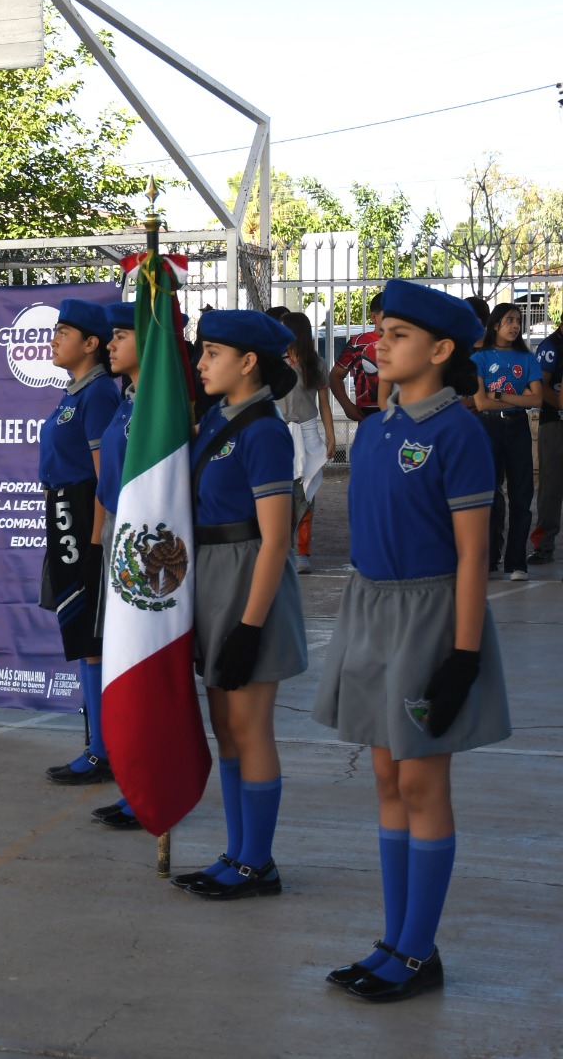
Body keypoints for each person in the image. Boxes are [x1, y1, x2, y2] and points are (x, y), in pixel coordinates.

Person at [313, 280, 509, 1003]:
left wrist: (463, 656)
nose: (380, 344)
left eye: (397, 335)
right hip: (371, 610)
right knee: (387, 779)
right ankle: (394, 939)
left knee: (423, 783)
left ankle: (419, 951)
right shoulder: (376, 429)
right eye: (381, 332)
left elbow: (473, 554)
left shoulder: (457, 432)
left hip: (430, 618)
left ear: (440, 349)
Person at [171, 309, 307, 899]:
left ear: (249, 362)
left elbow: (276, 539)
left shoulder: (264, 431)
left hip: (249, 580)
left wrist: (250, 627)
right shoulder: (214, 420)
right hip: (210, 576)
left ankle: (258, 863)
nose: (200, 364)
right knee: (224, 726)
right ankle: (237, 851)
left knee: (250, 728)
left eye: (212, 354)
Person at [38, 300, 123, 794]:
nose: (53, 339)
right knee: (82, 634)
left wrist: (94, 547)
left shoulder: (99, 395)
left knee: (92, 636)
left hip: (82, 514)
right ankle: (98, 745)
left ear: (92, 343)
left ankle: (104, 749)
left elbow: (102, 478)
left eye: (64, 332)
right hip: (64, 512)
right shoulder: (74, 391)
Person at [85, 301, 142, 829]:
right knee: (119, 665)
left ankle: (145, 789)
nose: (111, 344)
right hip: (115, 536)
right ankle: (132, 784)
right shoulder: (128, 399)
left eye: (122, 335)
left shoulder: (157, 407)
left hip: (140, 547)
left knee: (138, 669)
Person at [469, 302, 543, 579]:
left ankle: (516, 563)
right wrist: (518, 398)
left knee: (521, 496)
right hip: (488, 427)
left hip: (518, 426)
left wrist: (499, 395)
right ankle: (488, 560)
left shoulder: (527, 358)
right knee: (488, 494)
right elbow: (481, 403)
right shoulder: (480, 358)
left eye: (518, 321)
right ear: (495, 324)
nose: (515, 326)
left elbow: (537, 399)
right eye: (509, 320)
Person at [278, 312, 336, 574]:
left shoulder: (317, 364)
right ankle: (282, 549)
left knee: (306, 493)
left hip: (308, 431)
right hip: (279, 433)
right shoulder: (274, 362)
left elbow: (324, 405)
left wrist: (331, 437)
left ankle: (303, 552)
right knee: (280, 494)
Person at [530, 322, 563, 565]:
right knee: (551, 486)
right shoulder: (551, 346)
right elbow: (540, 387)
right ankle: (543, 546)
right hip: (555, 423)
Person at [330, 293, 388, 422]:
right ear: (374, 317)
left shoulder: (407, 344)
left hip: (400, 414)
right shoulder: (356, 343)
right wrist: (347, 406)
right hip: (367, 417)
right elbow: (335, 376)